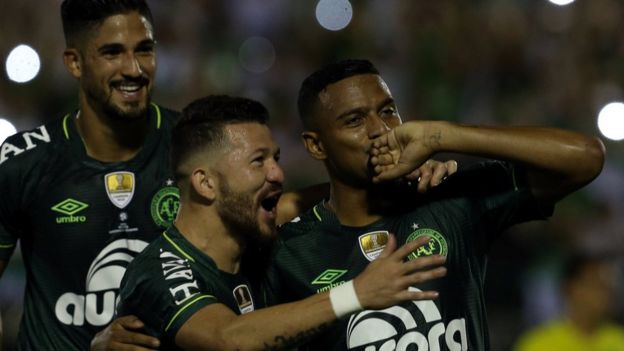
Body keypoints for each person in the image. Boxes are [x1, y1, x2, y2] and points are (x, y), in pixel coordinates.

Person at [264, 59, 605, 350]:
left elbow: (586, 158)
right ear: (316, 146)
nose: (379, 129)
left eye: (388, 111)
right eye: (354, 120)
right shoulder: (289, 252)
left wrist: (444, 135)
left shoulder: (449, 200)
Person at [115, 95, 448, 350]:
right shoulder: (162, 270)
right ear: (206, 184)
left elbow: (309, 200)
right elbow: (226, 339)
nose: (277, 174)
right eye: (257, 161)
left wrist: (403, 174)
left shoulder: (255, 244)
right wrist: (357, 293)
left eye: (275, 158)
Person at [513, 252, 624, 351]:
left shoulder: (619, 339)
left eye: (606, 286)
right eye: (595, 284)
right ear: (570, 289)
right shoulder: (538, 344)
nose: (604, 292)